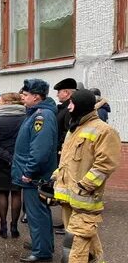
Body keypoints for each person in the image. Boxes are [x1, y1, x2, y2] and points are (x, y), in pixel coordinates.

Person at [45, 89, 121, 263]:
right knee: (86, 233)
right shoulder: (75, 128)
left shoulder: (104, 131)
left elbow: (105, 165)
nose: (68, 107)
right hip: (70, 197)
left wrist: (85, 186)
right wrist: (54, 178)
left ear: (80, 106)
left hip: (86, 198)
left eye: (71, 104)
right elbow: (67, 162)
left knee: (76, 238)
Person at [12, 79, 57, 263]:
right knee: (39, 212)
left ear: (36, 97)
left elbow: (40, 149)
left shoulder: (41, 116)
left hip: (35, 177)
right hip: (33, 174)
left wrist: (29, 172)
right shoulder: (37, 113)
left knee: (37, 213)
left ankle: (42, 252)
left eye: (26, 95)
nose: (23, 98)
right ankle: (43, 244)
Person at [0, 92, 27, 238]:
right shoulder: (26, 118)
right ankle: (14, 227)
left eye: (0, 100)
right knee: (16, 193)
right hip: (19, 161)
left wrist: (6, 157)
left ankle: (3, 227)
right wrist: (15, 158)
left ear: (7, 102)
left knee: (1, 193)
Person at [53, 78, 77, 235]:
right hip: (61, 151)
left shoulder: (69, 110)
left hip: (65, 153)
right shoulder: (64, 108)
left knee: (68, 188)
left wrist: (61, 148)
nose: (57, 95)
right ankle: (65, 221)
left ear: (67, 93)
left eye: (59, 92)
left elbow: (68, 133)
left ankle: (69, 223)